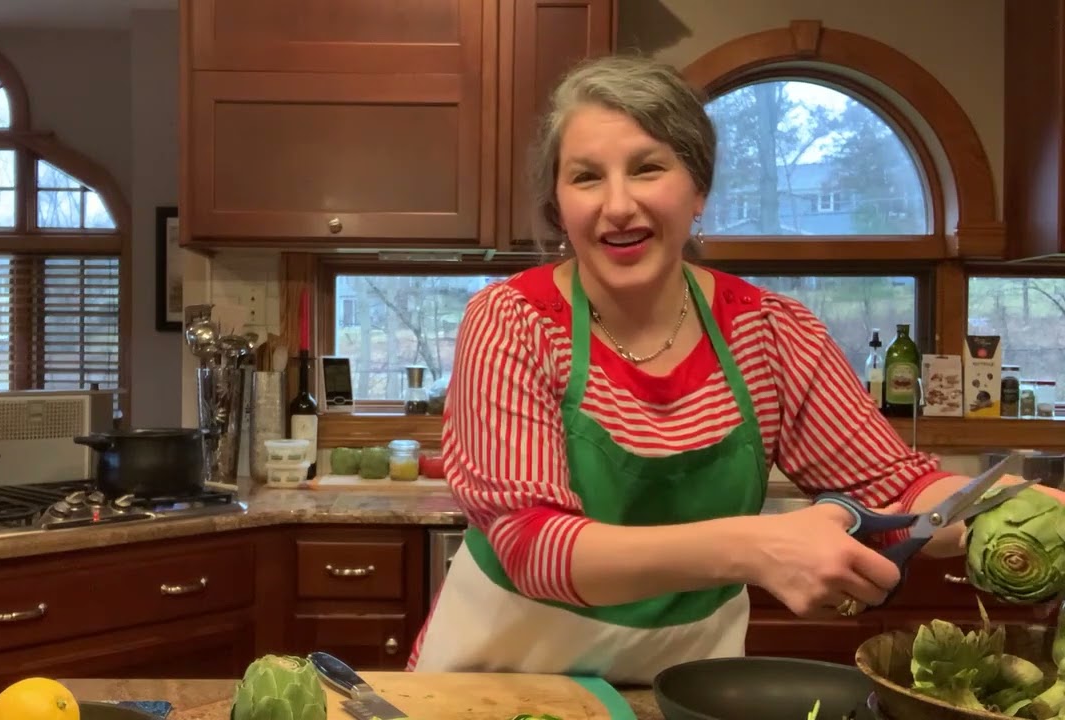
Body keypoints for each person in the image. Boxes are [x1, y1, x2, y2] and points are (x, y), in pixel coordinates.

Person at [405, 53, 1065, 684]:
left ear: (698, 189)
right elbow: (533, 546)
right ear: (559, 205)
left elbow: (896, 490)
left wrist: (1017, 512)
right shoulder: (513, 321)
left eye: (647, 168)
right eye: (586, 177)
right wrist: (756, 547)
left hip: (677, 684)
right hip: (503, 680)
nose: (618, 205)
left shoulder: (772, 333)